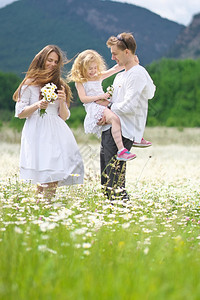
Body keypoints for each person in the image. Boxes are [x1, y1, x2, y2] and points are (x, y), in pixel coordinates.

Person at [13, 45, 84, 199]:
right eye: (49, 60)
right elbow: (20, 112)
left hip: (57, 132)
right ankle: (42, 210)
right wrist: (38, 105)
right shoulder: (29, 83)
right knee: (43, 176)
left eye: (55, 61)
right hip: (37, 132)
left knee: (53, 175)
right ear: (42, 60)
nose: (52, 64)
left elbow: (64, 116)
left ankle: (45, 208)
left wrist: (63, 101)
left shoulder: (60, 84)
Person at [99, 32, 156, 201]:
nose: (113, 57)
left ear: (127, 52)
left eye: (115, 54)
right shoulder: (120, 75)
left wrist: (108, 109)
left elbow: (129, 106)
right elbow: (150, 92)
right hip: (111, 127)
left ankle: (123, 213)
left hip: (123, 131)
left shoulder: (137, 73)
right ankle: (112, 217)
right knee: (106, 179)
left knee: (114, 181)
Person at [68, 49, 136, 161]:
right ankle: (121, 150)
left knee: (123, 111)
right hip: (94, 107)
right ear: (82, 67)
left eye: (95, 68)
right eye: (90, 68)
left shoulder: (97, 76)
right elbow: (83, 99)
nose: (93, 71)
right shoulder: (80, 81)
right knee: (115, 119)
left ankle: (136, 137)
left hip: (103, 104)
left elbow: (114, 69)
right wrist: (100, 97)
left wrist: (129, 60)